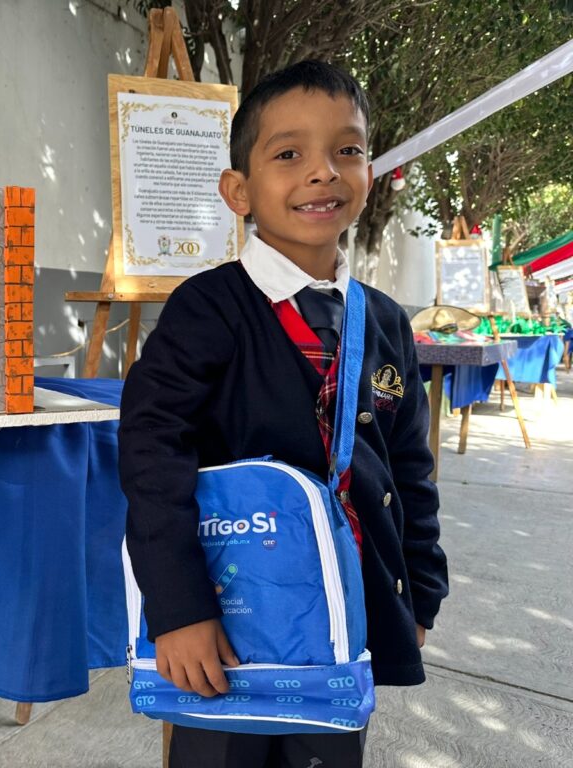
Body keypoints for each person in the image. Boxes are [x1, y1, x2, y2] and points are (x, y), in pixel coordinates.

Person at [118, 60, 449, 767]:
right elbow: (151, 453)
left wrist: (418, 593)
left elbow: (409, 470)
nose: (323, 171)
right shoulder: (206, 310)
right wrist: (178, 608)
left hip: (340, 615)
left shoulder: (385, 322)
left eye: (348, 150)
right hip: (232, 623)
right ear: (238, 190)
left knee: (329, 754)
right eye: (289, 153)